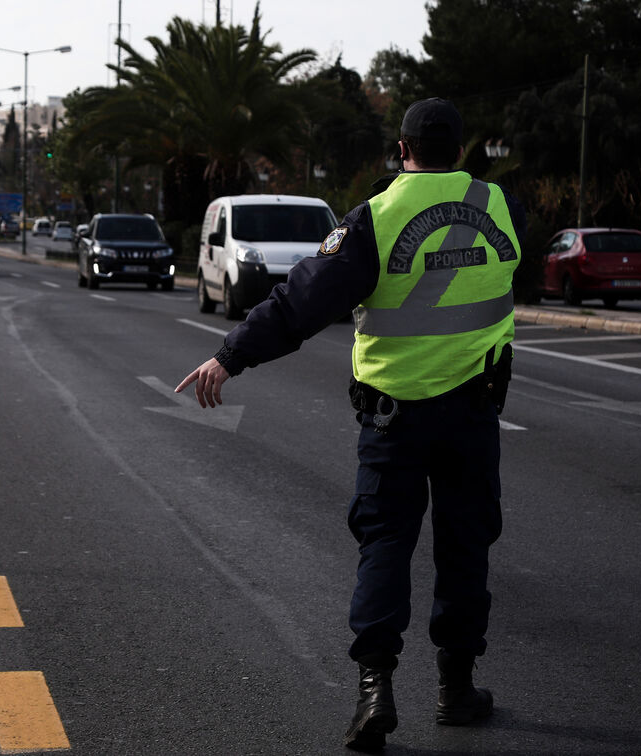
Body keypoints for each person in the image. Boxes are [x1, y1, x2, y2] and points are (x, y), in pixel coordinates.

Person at [176, 97, 525, 753]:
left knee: (385, 545)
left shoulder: (377, 218)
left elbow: (302, 300)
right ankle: (456, 689)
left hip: (394, 418)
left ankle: (376, 692)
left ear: (402, 150)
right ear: (461, 148)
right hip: (474, 413)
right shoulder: (501, 206)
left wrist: (231, 355)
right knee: (465, 545)